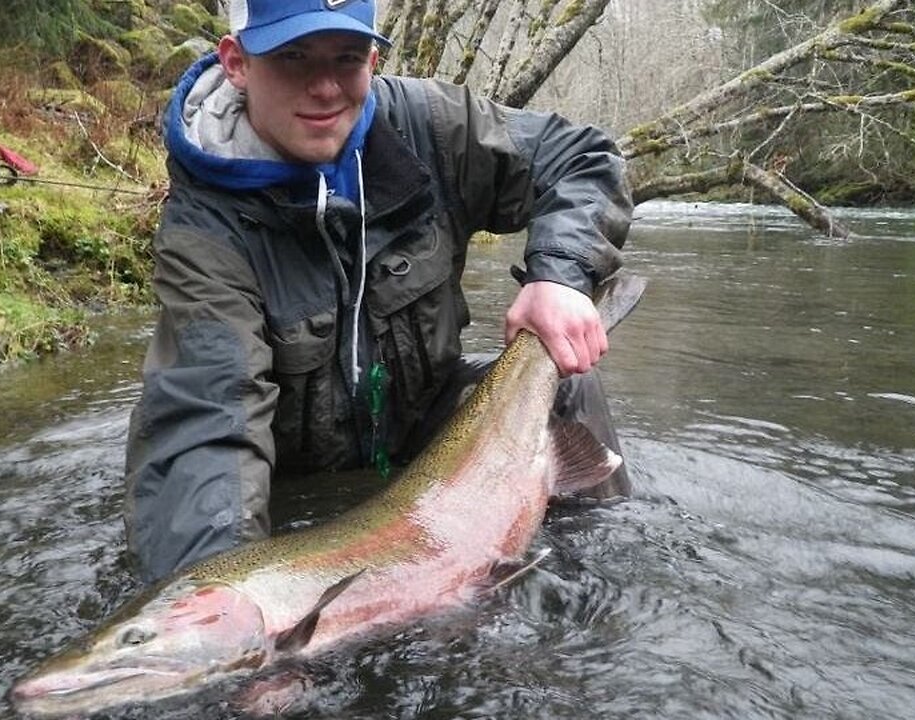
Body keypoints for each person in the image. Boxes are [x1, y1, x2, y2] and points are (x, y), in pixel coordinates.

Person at [124, 0, 634, 584]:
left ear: (372, 57)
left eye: (347, 59)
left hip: (424, 428)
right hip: (297, 478)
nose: (324, 88)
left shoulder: (431, 128)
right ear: (237, 62)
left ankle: (587, 585)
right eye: (293, 57)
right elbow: (207, 422)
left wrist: (559, 277)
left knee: (562, 367)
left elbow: (585, 159)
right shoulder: (206, 228)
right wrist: (222, 610)